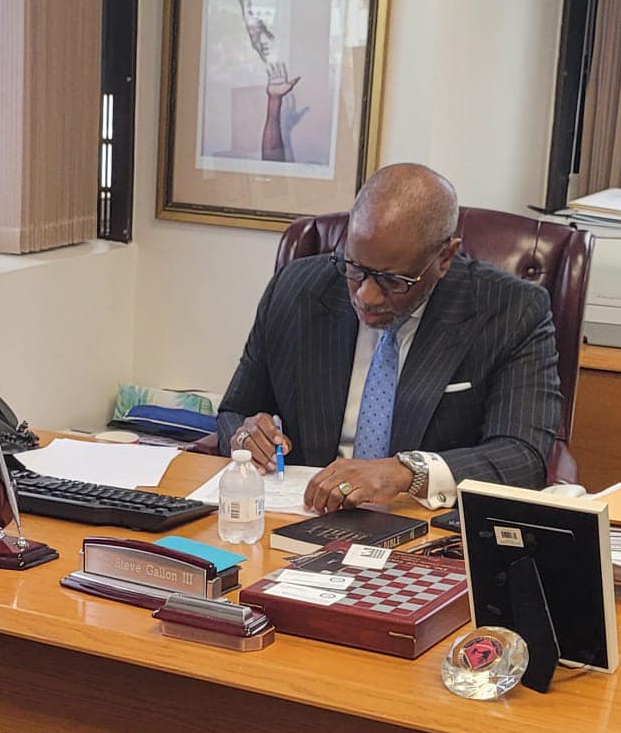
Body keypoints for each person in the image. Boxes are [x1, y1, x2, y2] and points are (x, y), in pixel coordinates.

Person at [215, 163, 561, 515]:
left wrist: (406, 472)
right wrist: (245, 437)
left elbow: (522, 457)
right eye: (354, 268)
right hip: (297, 515)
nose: (366, 296)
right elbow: (235, 410)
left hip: (422, 524)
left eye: (393, 281)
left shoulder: (510, 311)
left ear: (444, 257)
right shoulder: (296, 289)